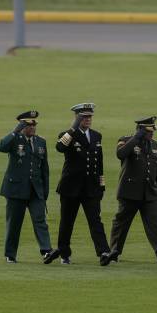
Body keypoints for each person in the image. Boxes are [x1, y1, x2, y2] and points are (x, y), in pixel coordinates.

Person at [44, 103, 111, 266]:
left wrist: (101, 185)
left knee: (95, 220)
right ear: (77, 118)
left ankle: (103, 251)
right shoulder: (67, 135)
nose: (88, 119)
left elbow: (99, 163)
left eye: (89, 116)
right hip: (71, 187)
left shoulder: (97, 136)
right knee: (67, 221)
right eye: (84, 117)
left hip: (91, 187)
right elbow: (60, 147)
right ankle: (64, 253)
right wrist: (73, 128)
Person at [108, 116, 157, 265]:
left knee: (155, 223)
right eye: (148, 131)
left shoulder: (155, 145)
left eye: (152, 130)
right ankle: (114, 252)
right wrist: (136, 138)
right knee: (121, 223)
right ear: (141, 130)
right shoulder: (126, 140)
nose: (152, 133)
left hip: (150, 192)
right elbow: (120, 154)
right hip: (130, 191)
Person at [0, 110, 52, 263]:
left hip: (35, 189)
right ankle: (10, 254)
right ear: (22, 126)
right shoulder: (15, 139)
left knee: (40, 221)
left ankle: (47, 251)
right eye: (29, 125)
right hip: (16, 189)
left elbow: (44, 169)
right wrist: (15, 131)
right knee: (14, 223)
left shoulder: (41, 142)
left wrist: (45, 191)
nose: (33, 127)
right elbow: (1, 146)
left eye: (34, 124)